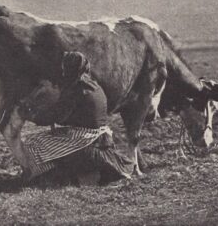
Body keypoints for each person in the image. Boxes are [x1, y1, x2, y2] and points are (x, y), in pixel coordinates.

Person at [18, 51, 134, 185]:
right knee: (55, 137)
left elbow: (56, 116)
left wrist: (30, 114)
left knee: (33, 142)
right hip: (103, 138)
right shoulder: (95, 86)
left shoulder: (76, 90)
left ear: (68, 70)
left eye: (64, 69)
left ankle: (49, 177)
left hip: (85, 140)